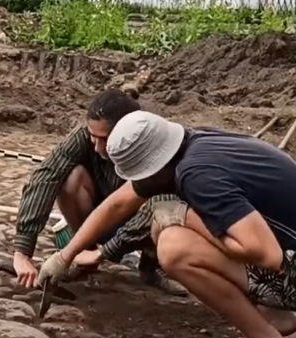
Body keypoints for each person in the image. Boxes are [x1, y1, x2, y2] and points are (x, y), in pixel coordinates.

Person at [38, 111, 296, 338]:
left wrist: (188, 218)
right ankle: (275, 320)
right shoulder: (193, 143)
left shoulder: (199, 176)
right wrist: (66, 256)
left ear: (152, 165)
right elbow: (117, 205)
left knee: (175, 248)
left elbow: (265, 253)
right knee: (167, 226)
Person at [12, 88, 184, 294]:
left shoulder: (155, 147)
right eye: (93, 137)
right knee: (70, 179)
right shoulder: (83, 137)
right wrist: (22, 250)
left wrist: (106, 252)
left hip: (139, 223)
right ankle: (85, 252)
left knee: (163, 209)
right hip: (98, 217)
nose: (97, 147)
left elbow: (163, 207)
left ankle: (152, 267)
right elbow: (46, 176)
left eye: (105, 139)